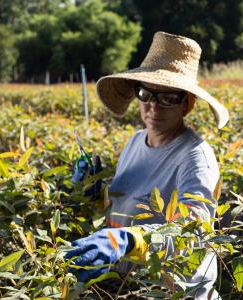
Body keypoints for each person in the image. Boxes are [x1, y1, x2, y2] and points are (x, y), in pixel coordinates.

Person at [65, 31, 229, 300]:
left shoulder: (196, 157)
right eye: (146, 93)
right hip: (127, 287)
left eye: (168, 98)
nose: (153, 106)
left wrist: (129, 240)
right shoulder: (135, 142)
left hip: (175, 293)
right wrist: (94, 196)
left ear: (186, 104)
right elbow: (125, 209)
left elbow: (193, 231)